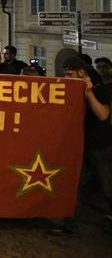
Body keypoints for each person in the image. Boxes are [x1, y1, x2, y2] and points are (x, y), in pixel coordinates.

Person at [50, 54, 112, 236]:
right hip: (79, 147)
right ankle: (70, 225)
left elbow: (102, 115)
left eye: (70, 74)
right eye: (66, 75)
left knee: (107, 186)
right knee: (73, 186)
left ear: (82, 72)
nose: (67, 78)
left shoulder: (100, 91)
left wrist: (89, 92)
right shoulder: (69, 93)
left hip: (101, 147)